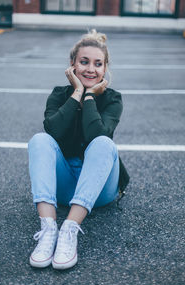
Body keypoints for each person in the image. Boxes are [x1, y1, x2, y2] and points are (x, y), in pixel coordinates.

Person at [28, 29, 129, 270]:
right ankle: (49, 230)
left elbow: (98, 135)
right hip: (64, 185)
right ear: (72, 65)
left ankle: (69, 231)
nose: (90, 69)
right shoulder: (58, 94)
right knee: (39, 140)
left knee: (104, 143)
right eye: (84, 62)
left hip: (98, 190)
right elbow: (53, 131)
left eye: (98, 64)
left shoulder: (113, 99)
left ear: (105, 69)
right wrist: (77, 93)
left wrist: (91, 96)